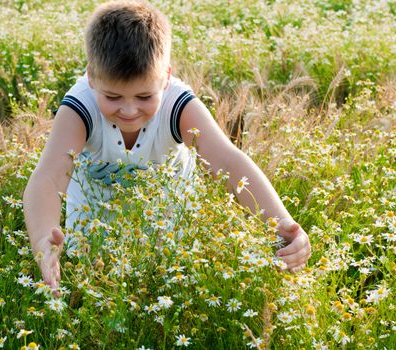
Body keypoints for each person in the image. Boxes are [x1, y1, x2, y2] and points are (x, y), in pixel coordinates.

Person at [23, 0, 311, 296]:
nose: (129, 110)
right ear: (91, 77)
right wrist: (43, 240)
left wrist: (281, 223)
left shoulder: (178, 105)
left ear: (166, 77)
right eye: (113, 96)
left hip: (173, 228)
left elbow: (229, 162)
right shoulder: (79, 109)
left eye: (144, 96)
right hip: (95, 234)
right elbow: (48, 178)